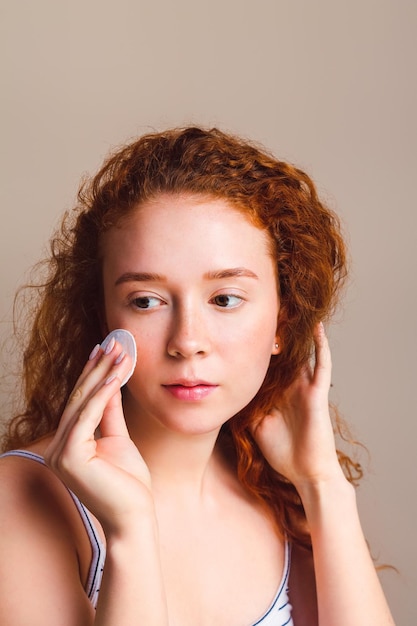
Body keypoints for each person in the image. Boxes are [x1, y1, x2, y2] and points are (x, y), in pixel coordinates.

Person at [0, 126, 395, 625]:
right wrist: (131, 532)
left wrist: (322, 485)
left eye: (225, 299)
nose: (187, 341)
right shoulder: (19, 498)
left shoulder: (277, 492)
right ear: (104, 320)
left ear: (283, 321)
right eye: (146, 301)